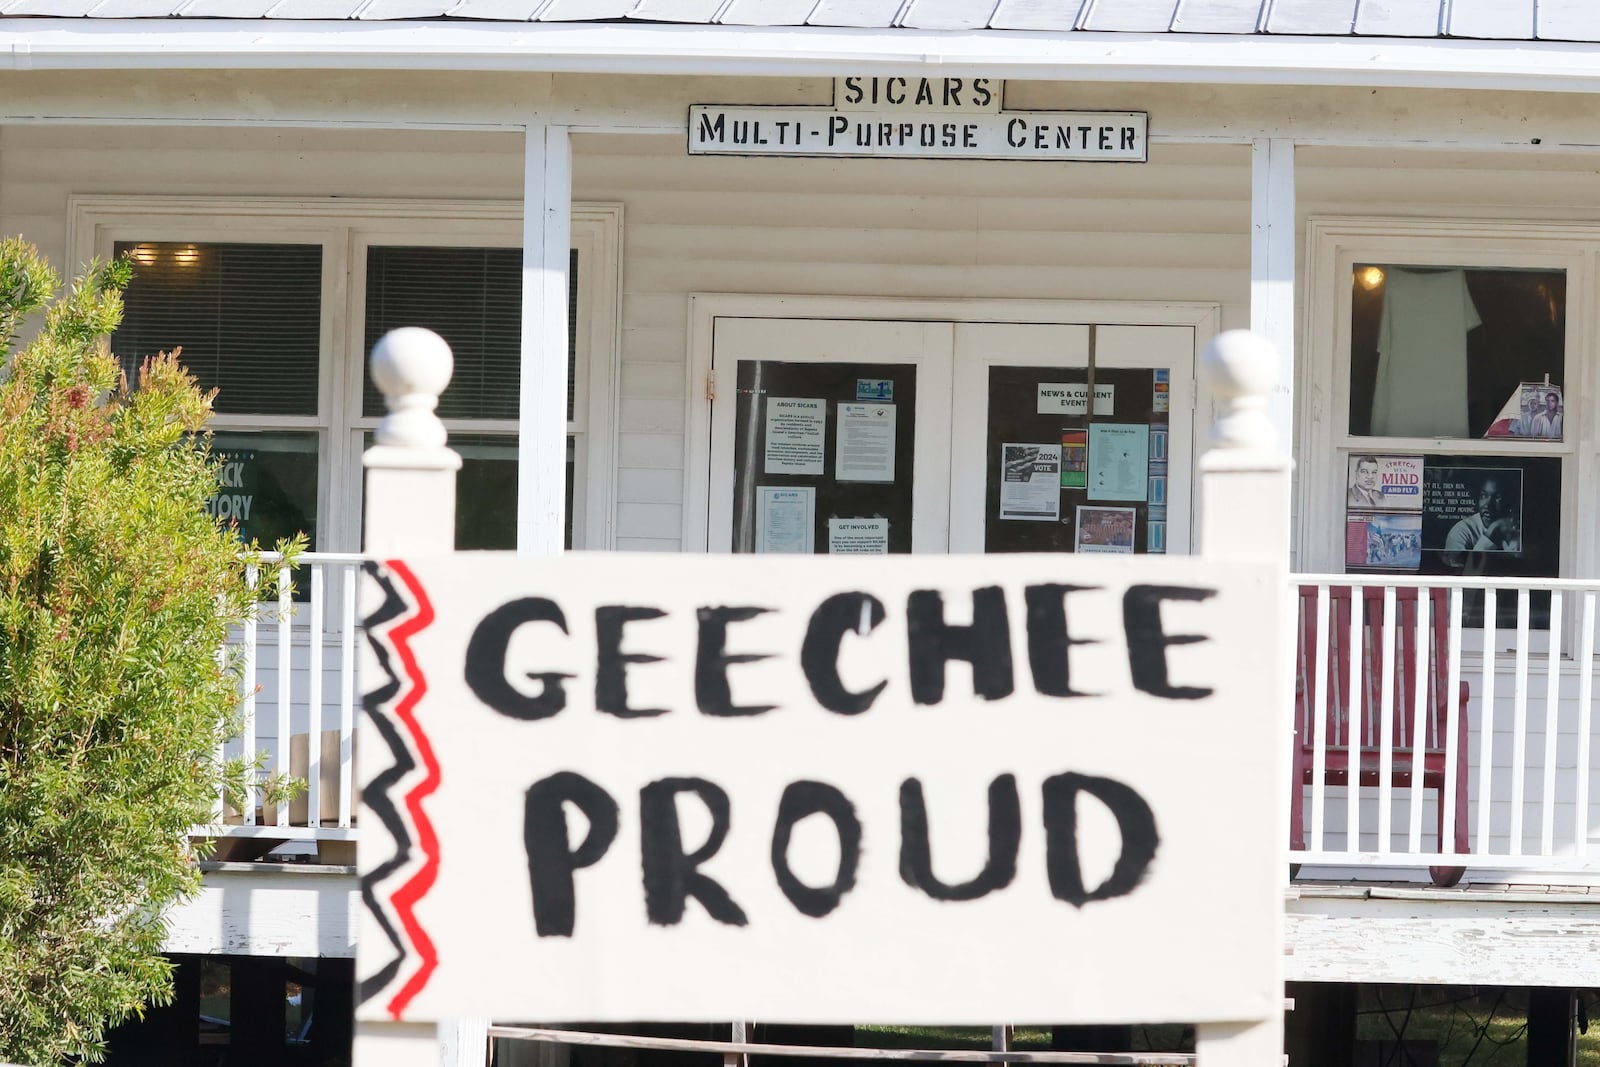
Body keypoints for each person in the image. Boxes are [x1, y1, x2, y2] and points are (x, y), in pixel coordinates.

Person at [1445, 475, 1521, 554]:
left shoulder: (1516, 527)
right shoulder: (1461, 532)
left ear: (1509, 502)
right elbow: (1469, 565)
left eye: (1498, 497)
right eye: (1484, 496)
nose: (1487, 505)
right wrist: (1490, 533)